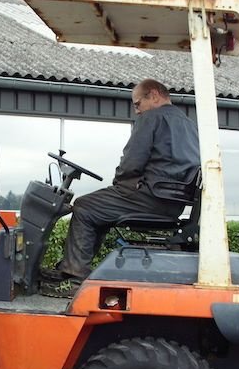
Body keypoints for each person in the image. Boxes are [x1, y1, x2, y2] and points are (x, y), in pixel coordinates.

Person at [43, 78, 200, 296]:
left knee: (84, 206)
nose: (137, 111)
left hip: (150, 197)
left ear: (153, 95)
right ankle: (72, 268)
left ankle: (75, 276)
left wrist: (119, 181)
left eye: (137, 104)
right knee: (101, 208)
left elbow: (132, 162)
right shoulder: (188, 124)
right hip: (172, 203)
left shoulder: (151, 118)